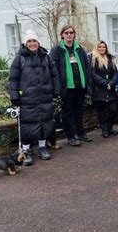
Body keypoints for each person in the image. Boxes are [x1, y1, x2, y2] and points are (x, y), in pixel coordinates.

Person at [8, 30, 60, 165]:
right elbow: (13, 79)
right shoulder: (19, 58)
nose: (32, 44)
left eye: (34, 41)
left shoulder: (46, 57)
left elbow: (54, 75)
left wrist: (56, 91)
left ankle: (42, 148)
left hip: (44, 97)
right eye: (29, 41)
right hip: (27, 98)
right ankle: (25, 151)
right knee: (27, 125)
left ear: (38, 43)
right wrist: (14, 98)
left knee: (44, 122)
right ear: (26, 44)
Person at [49, 25, 93, 146]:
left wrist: (88, 83)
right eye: (66, 33)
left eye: (71, 33)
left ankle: (81, 133)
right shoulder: (57, 50)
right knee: (68, 112)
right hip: (67, 88)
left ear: (74, 34)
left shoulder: (79, 49)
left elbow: (86, 66)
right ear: (62, 35)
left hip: (80, 86)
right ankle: (71, 136)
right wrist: (57, 88)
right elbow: (54, 71)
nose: (69, 35)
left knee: (79, 111)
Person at [89, 40, 118, 138]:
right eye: (100, 47)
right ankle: (104, 129)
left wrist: (111, 83)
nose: (102, 48)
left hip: (111, 89)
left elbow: (115, 73)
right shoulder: (92, 59)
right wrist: (105, 83)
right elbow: (93, 74)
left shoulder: (110, 58)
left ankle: (110, 127)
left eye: (104, 47)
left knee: (113, 109)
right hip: (99, 89)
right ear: (97, 48)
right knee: (101, 111)